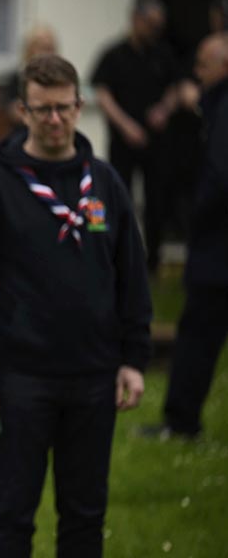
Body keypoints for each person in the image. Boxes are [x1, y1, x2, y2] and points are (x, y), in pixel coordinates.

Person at [0, 54, 152, 557]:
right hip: (22, 377)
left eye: (64, 108)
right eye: (42, 110)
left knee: (86, 515)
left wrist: (134, 358)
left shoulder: (104, 182)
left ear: (81, 106)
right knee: (13, 514)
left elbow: (132, 275)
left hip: (95, 373)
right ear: (23, 110)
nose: (55, 120)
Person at [149, 32, 228, 440]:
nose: (197, 73)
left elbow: (219, 176)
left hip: (217, 255)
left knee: (197, 337)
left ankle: (181, 422)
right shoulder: (213, 105)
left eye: (203, 65)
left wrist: (192, 218)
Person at [91, 0, 180, 276]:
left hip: (157, 143)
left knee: (156, 201)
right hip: (123, 143)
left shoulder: (163, 53)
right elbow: (102, 93)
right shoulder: (114, 55)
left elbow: (177, 86)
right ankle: (121, 257)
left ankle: (152, 263)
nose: (154, 31)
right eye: (150, 24)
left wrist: (165, 109)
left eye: (158, 26)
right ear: (135, 19)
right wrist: (126, 125)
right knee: (119, 199)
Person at [4, 25, 59, 130]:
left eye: (49, 48)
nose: (46, 54)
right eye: (41, 48)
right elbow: (14, 113)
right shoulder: (19, 77)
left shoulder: (61, 78)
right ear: (29, 49)